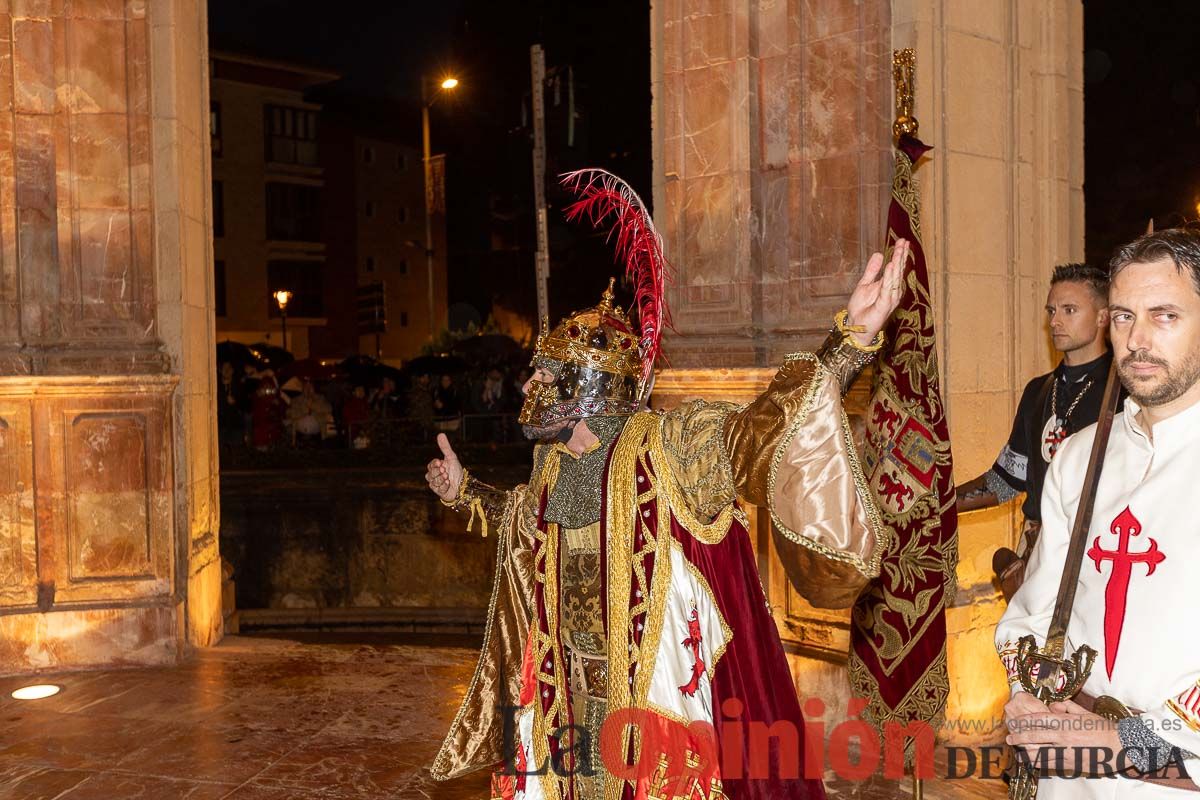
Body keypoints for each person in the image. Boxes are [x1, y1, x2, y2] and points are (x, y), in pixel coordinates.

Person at [424, 167, 907, 800]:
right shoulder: (551, 468)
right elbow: (523, 523)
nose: (529, 389)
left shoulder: (671, 446)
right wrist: (465, 490)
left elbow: (760, 432)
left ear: (594, 390)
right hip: (561, 696)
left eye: (551, 377)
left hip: (647, 699)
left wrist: (847, 344)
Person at [998, 229, 1200, 795]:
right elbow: (1036, 609)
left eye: (1165, 316)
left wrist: (1124, 744)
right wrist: (1030, 695)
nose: (1137, 340)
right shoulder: (1082, 454)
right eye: (1123, 317)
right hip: (1069, 771)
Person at [955, 264, 1120, 598]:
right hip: (1037, 551)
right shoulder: (1038, 391)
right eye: (1051, 310)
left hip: (1099, 552)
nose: (1055, 321)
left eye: (1069, 310)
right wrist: (936, 504)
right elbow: (1007, 480)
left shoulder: (1124, 391)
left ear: (1103, 317)